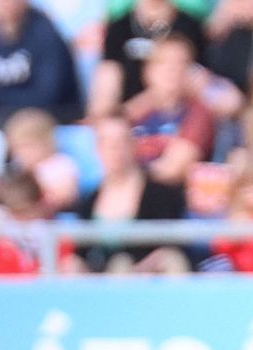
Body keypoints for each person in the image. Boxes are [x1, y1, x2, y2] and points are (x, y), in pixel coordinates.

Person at [89, 0, 207, 118]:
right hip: (126, 116)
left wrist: (143, 104)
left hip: (179, 114)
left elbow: (198, 77)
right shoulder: (119, 27)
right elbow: (109, 75)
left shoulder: (189, 25)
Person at [65, 112, 190, 274]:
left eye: (121, 141)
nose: (114, 149)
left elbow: (171, 246)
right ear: (97, 148)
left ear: (133, 144)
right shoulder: (89, 201)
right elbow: (81, 253)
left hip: (147, 278)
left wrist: (136, 270)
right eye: (107, 142)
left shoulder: (161, 194)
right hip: (102, 280)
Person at [124, 34, 216, 186]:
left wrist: (124, 175)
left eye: (180, 63)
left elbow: (172, 170)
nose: (172, 69)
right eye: (163, 62)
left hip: (165, 192)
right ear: (148, 71)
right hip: (126, 186)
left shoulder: (199, 113)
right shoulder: (136, 111)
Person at [1, 108, 80, 216]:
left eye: (26, 146)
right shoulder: (19, 169)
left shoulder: (60, 165)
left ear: (46, 143)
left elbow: (66, 197)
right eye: (16, 148)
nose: (20, 153)